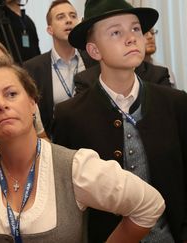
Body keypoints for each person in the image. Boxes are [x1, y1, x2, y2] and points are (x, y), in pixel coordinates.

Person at [0, 56, 164, 242]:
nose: (2, 105)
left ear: (32, 102)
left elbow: (149, 205)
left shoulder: (73, 167)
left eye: (11, 94)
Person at [53, 0, 187, 242]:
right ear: (94, 51)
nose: (131, 38)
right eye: (116, 32)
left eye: (135, 29)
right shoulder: (70, 115)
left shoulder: (175, 103)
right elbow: (68, 197)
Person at [23, 0, 97, 136]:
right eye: (61, 17)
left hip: (94, 139)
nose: (69, 20)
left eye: (73, 16)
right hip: (55, 143)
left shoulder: (95, 60)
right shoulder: (33, 68)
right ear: (49, 29)